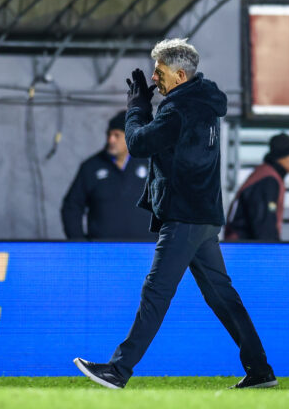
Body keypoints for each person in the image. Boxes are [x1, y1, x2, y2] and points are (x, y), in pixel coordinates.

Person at [74, 38, 276, 390]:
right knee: (222, 296)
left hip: (184, 215)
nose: (154, 79)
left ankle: (118, 370)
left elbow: (137, 143)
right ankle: (260, 370)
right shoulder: (205, 101)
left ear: (180, 75)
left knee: (156, 291)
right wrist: (146, 109)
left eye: (160, 72)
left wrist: (136, 107)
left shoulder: (179, 108)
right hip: (203, 213)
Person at [60, 110, 153, 240]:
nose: (111, 140)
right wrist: (79, 243)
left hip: (147, 251)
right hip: (102, 252)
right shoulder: (91, 167)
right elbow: (71, 207)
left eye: (117, 135)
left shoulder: (152, 164)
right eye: (109, 134)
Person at [224, 132, 289, 241]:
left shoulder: (265, 174)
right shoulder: (268, 180)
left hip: (242, 244)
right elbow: (264, 223)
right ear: (281, 156)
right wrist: (271, 250)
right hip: (245, 247)